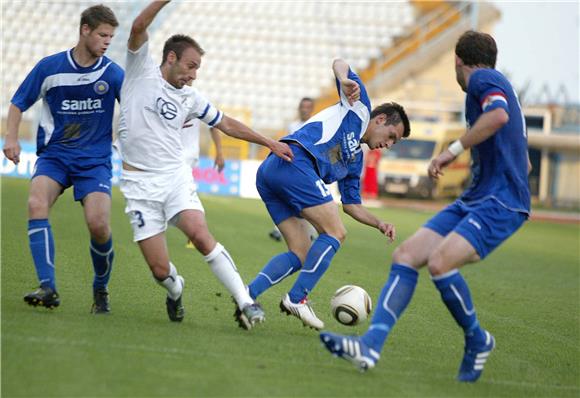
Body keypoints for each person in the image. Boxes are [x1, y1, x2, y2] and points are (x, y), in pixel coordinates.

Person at [320, 31, 531, 383]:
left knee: (439, 262)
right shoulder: (492, 84)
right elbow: (523, 164)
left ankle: (478, 339)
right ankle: (370, 346)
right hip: (479, 196)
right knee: (405, 255)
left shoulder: (482, 79)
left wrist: (451, 151)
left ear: (457, 61)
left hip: (500, 201)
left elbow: (498, 117)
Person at [116, 0, 293, 329]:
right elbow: (138, 27)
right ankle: (175, 289)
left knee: (199, 233)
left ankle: (246, 302)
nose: (194, 75)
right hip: (138, 186)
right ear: (171, 58)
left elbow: (226, 123)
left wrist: (269, 142)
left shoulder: (191, 98)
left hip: (173, 178)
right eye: (191, 66)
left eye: (197, 69)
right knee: (159, 271)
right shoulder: (139, 71)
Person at [248, 58, 410, 330]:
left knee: (300, 252)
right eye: (392, 136)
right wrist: (344, 78)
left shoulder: (355, 160)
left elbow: (352, 206)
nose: (389, 144)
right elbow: (340, 63)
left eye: (394, 142)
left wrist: (379, 223)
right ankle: (297, 299)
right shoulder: (359, 109)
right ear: (380, 119)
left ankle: (247, 296)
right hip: (294, 161)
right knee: (335, 232)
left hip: (278, 172)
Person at [3, 5, 123, 313]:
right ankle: (48, 287)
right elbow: (17, 104)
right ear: (85, 30)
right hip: (55, 156)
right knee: (35, 204)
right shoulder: (50, 67)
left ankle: (100, 287)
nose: (107, 41)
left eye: (111, 36)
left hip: (94, 161)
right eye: (102, 35)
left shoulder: (111, 73)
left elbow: (137, 107)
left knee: (98, 225)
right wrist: (11, 138)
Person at [269, 97, 316, 242]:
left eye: (308, 107)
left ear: (312, 109)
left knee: (307, 202)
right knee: (286, 198)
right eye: (303, 107)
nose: (304, 109)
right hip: (292, 167)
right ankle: (279, 230)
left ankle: (312, 231)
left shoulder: (315, 125)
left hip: (308, 170)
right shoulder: (293, 126)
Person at [183, 120, 224, 249]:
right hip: (165, 156)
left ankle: (196, 234)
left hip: (185, 158)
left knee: (188, 197)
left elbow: (214, 125)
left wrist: (219, 153)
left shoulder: (197, 101)